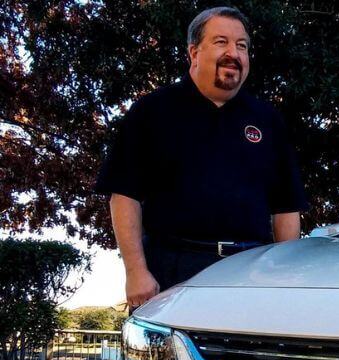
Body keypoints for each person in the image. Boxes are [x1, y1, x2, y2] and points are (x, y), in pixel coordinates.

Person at [95, 7, 308, 308]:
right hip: (171, 271)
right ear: (193, 53)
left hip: (251, 272)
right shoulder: (152, 112)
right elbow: (124, 196)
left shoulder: (268, 120)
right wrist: (135, 271)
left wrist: (285, 274)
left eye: (242, 45)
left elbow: (286, 208)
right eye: (221, 42)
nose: (233, 53)